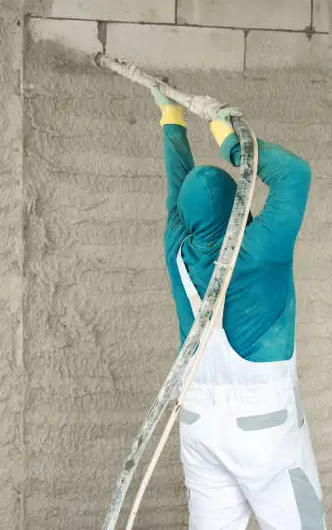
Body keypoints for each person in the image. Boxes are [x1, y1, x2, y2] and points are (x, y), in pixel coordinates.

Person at [151, 86, 325, 530]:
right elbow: (294, 175)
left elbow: (180, 189)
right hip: (264, 428)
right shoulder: (260, 249)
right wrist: (231, 139)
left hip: (199, 424)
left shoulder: (178, 249)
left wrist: (171, 118)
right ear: (240, 203)